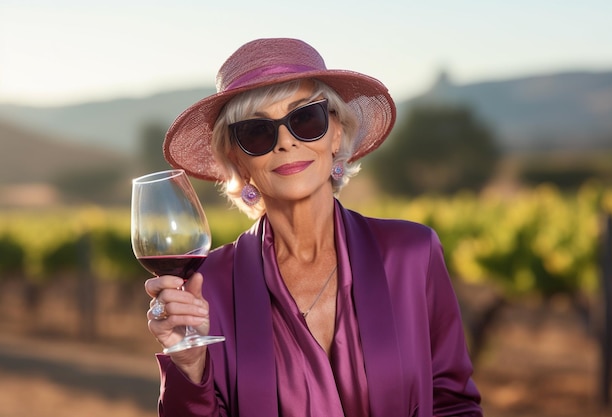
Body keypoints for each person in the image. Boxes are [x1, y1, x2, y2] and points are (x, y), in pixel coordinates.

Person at [144, 37, 483, 417]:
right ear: (237, 160)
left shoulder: (412, 252)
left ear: (336, 132)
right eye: (258, 131)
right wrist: (189, 368)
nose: (286, 142)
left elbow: (453, 404)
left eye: (305, 119)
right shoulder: (209, 286)